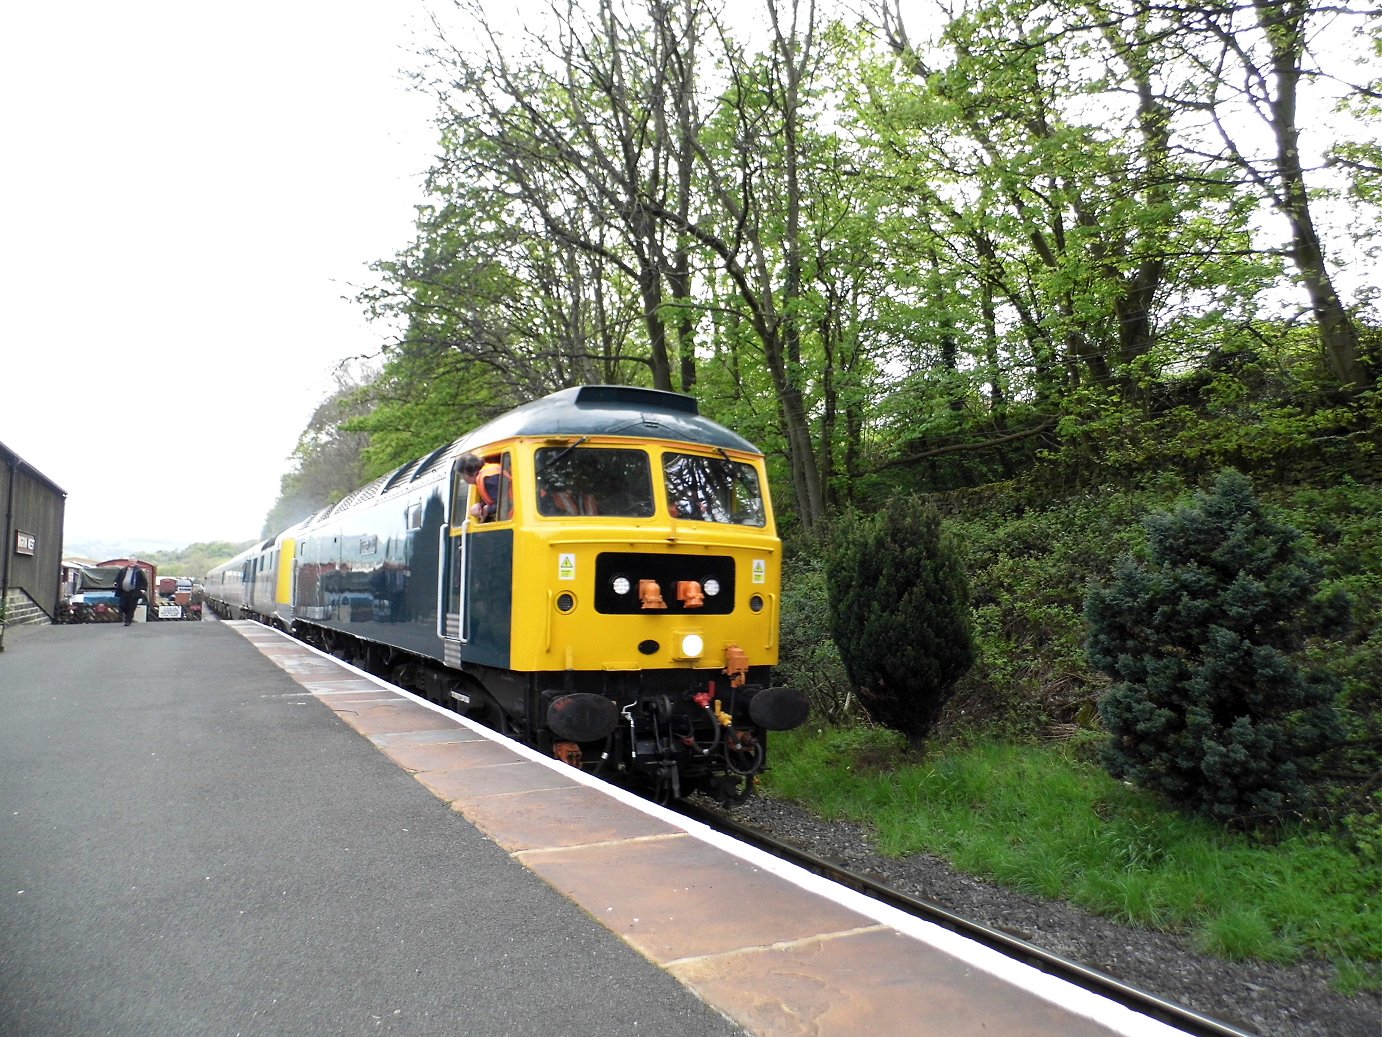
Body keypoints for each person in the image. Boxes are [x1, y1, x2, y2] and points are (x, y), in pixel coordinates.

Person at [457, 453, 508, 522]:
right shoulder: (488, 473)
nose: (463, 479)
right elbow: (495, 497)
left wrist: (487, 509)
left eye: (462, 475)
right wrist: (480, 505)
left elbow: (506, 503)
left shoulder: (488, 478)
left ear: (466, 472)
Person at [113, 560, 149, 627]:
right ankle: (129, 616)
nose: (132, 563)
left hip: (134, 591)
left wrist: (143, 589)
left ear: (136, 563)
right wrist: (115, 583)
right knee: (122, 605)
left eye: (133, 562)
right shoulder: (123, 570)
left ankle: (128, 621)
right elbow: (117, 578)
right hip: (124, 591)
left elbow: (144, 581)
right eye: (131, 562)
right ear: (128, 562)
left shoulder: (139, 571)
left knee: (131, 606)